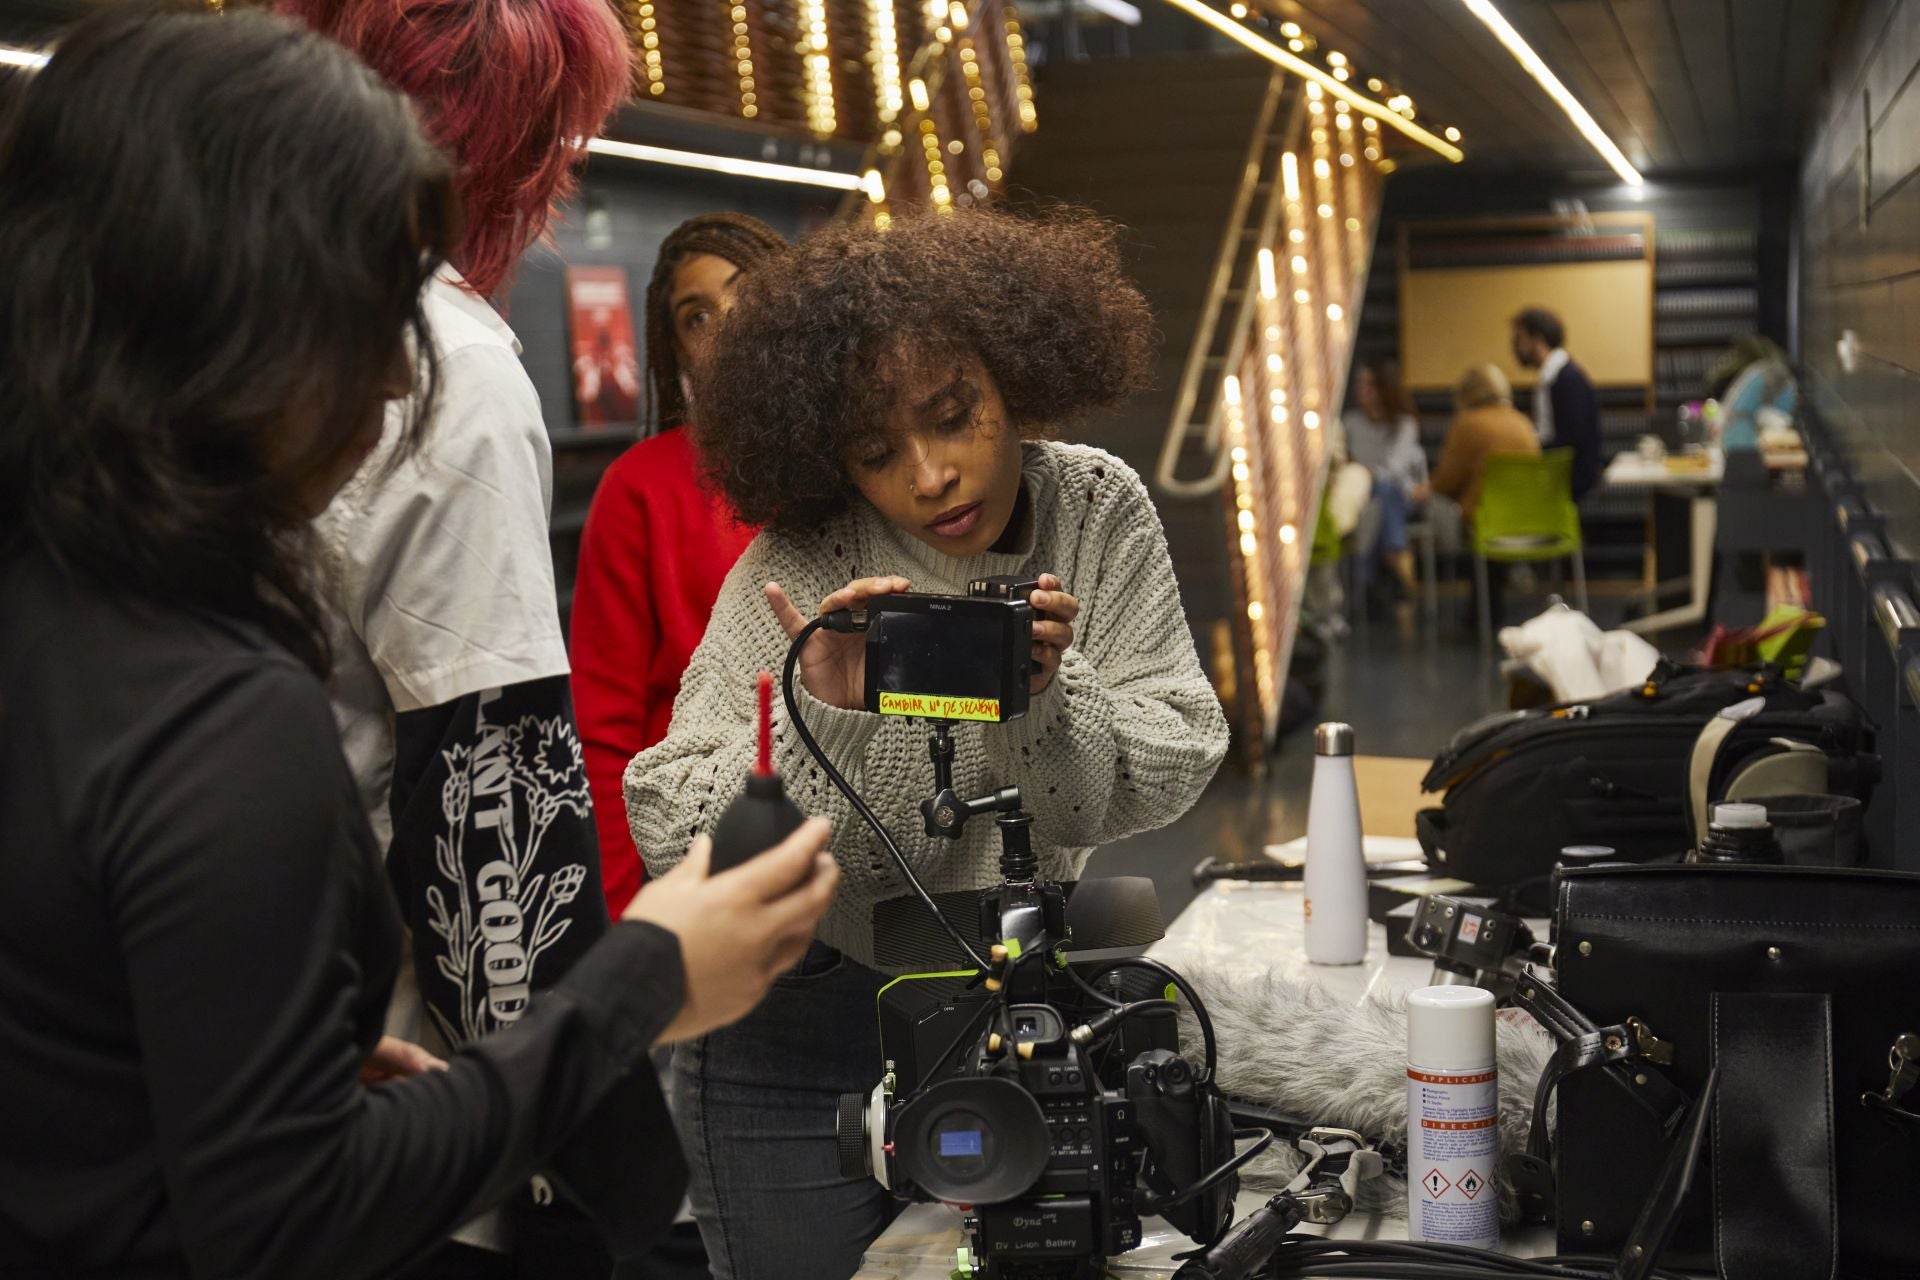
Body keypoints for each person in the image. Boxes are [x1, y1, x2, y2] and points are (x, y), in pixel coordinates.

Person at [0, 12, 837, 1278]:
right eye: (368, 310)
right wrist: (644, 983)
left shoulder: (64, 619)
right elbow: (287, 1217)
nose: (400, 380)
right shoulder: (221, 718)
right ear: (238, 314)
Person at [623, 209, 1231, 1280]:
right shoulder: (802, 562)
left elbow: (1174, 755)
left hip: (1018, 1007)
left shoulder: (1091, 508)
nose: (931, 475)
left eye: (954, 417)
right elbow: (671, 816)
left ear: (1012, 376)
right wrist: (831, 716)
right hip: (792, 1031)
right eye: (876, 451)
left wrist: (1044, 691)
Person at [280, 0, 653, 1271]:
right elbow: (489, 807)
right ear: (515, 152)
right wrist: (583, 1151)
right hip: (405, 1120)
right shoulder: (448, 367)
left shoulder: (180, 322)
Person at [573, 213, 789, 920]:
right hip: (701, 865)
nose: (728, 327)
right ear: (677, 353)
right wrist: (621, 915)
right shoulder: (639, 488)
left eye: (746, 294)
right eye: (698, 316)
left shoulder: (868, 459)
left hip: (868, 856)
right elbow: (605, 727)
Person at [1335, 358, 1427, 607]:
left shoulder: (1404, 424)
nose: (1361, 391)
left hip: (1402, 497)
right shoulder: (1350, 423)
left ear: (1383, 389)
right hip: (1365, 499)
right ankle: (1395, 562)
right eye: (1359, 384)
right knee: (1375, 505)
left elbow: (1394, 470)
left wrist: (1365, 475)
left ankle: (1370, 578)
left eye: (1369, 385)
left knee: (1385, 494)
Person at [1423, 363, 1541, 524]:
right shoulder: (1524, 423)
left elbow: (1445, 484)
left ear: (1465, 393)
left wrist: (1423, 490)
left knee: (1429, 505)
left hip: (1483, 522)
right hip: (1529, 521)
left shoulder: (1468, 424)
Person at [1510, 306, 1601, 500]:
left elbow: (1570, 438)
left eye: (1520, 338)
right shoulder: (1558, 375)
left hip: (1564, 478)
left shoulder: (1565, 379)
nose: (1515, 347)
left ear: (1537, 339)